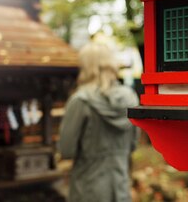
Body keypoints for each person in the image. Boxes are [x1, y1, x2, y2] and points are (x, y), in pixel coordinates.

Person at [58, 42, 139, 202]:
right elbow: (133, 144)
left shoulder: (80, 101)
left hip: (88, 189)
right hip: (120, 187)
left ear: (86, 66)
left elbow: (66, 150)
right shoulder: (131, 98)